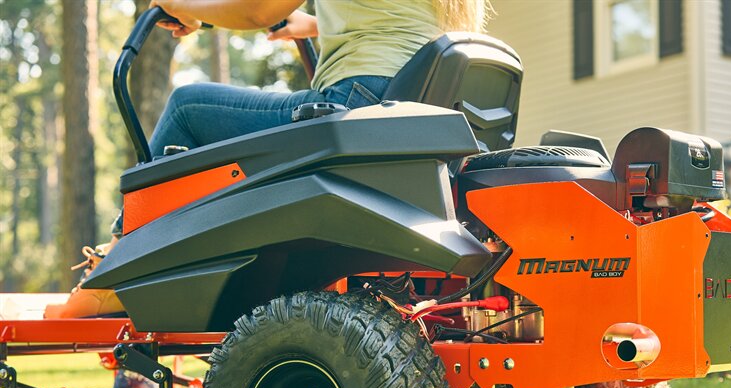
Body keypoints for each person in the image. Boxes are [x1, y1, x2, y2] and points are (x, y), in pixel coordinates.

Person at [45, 0, 492, 319]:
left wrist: (182, 6)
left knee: (187, 108)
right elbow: (392, 19)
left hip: (357, 100)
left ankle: (116, 271)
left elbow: (257, 9)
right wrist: (310, 25)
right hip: (407, 107)